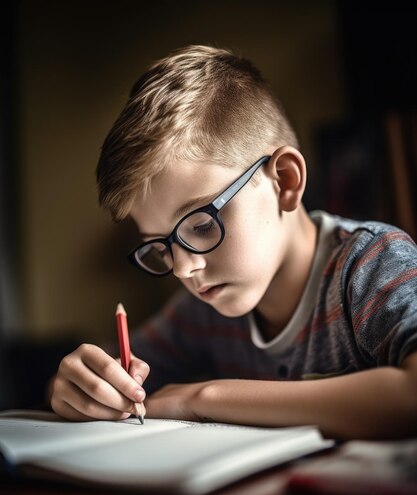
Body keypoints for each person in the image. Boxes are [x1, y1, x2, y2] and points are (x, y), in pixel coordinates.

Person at [50, 44, 417, 439]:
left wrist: (204, 398)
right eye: (160, 246)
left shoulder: (372, 265)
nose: (182, 268)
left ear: (285, 182)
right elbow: (114, 373)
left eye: (202, 224)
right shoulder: (202, 313)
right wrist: (82, 387)